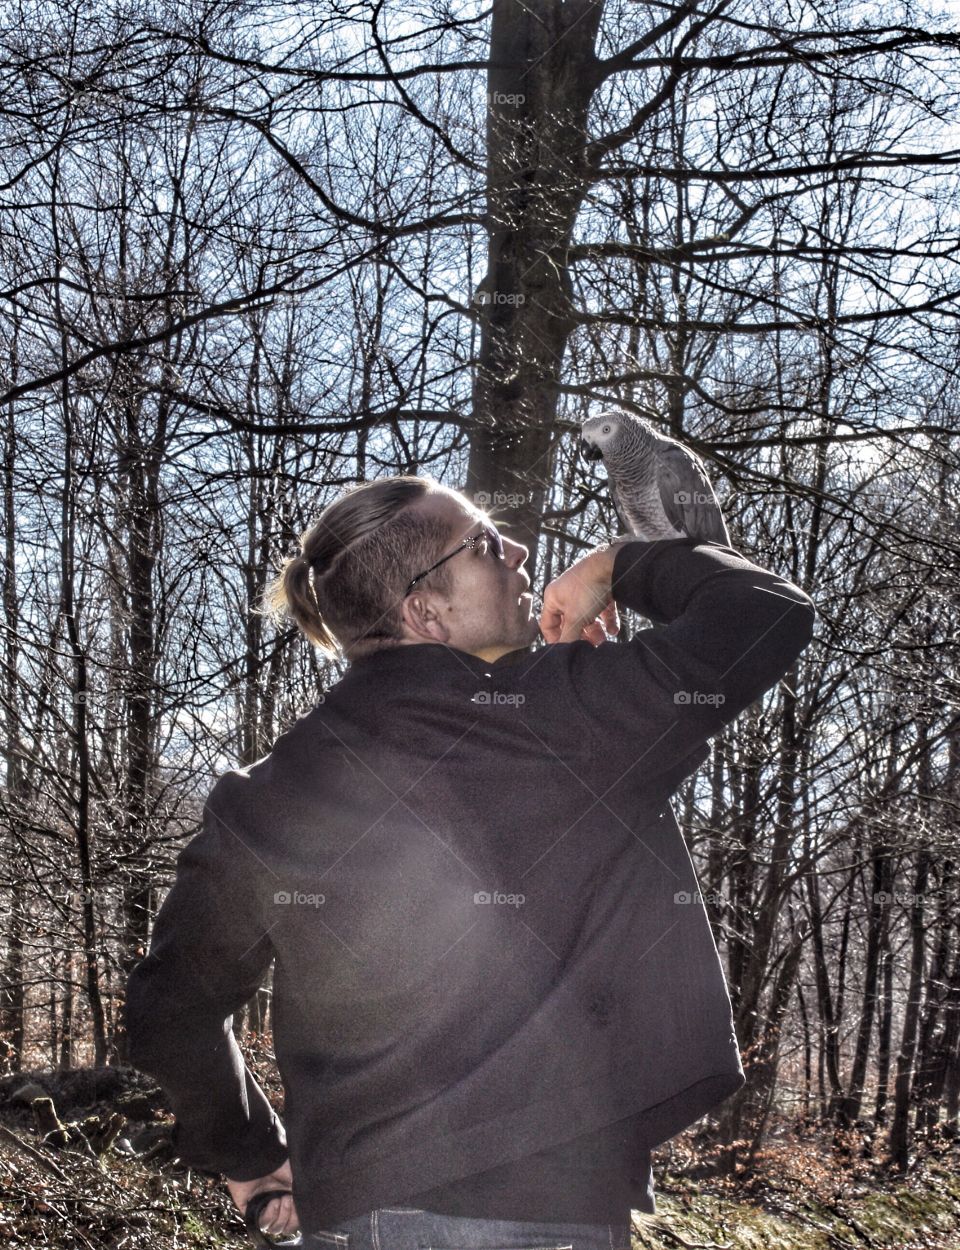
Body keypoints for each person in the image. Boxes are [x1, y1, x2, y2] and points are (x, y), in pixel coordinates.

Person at [124, 473, 817, 1250]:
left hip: (351, 1217)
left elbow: (168, 1012)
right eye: (487, 544)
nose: (519, 549)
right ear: (426, 612)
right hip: (544, 1217)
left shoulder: (266, 792)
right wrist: (617, 564)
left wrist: (249, 1156)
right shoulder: (570, 717)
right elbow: (764, 611)